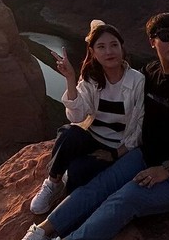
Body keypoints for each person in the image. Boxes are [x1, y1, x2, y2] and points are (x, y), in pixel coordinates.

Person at [10, 11, 169, 240]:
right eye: (166, 36)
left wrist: (166, 170)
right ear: (152, 42)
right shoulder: (151, 72)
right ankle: (42, 230)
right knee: (99, 185)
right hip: (147, 156)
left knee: (126, 198)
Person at [27, 20, 144, 214]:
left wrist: (115, 154)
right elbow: (77, 116)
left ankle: (68, 179)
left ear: (122, 48)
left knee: (78, 174)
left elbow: (140, 125)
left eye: (114, 45)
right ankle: (53, 182)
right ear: (93, 53)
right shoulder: (91, 77)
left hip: (117, 146)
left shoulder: (137, 81)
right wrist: (70, 79)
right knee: (69, 133)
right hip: (90, 139)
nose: (109, 52)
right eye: (101, 47)